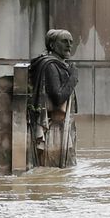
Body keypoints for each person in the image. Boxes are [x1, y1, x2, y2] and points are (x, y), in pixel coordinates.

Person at [28, 29, 79, 168]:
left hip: (60, 126)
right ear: (52, 44)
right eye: (64, 41)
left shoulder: (58, 64)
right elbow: (58, 97)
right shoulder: (50, 66)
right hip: (54, 130)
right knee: (55, 171)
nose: (69, 45)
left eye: (71, 42)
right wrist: (73, 77)